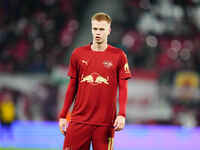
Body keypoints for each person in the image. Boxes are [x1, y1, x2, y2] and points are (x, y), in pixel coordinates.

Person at [58, 12, 131, 150]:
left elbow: (123, 88)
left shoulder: (119, 56)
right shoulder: (78, 54)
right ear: (91, 29)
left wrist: (122, 114)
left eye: (102, 29)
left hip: (105, 124)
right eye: (95, 28)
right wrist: (63, 115)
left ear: (109, 30)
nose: (98, 32)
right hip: (79, 121)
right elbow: (72, 87)